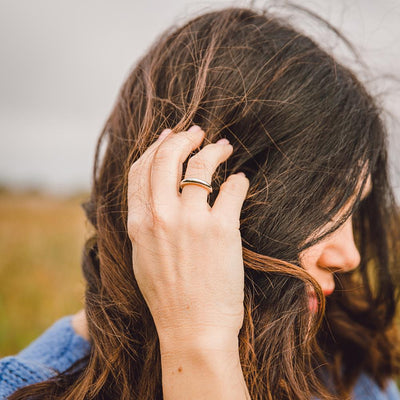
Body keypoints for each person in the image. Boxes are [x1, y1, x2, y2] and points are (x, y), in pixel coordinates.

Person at [1, 5, 400, 400]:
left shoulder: (349, 375)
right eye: (319, 200)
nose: (349, 256)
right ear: (187, 187)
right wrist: (198, 342)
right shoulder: (23, 390)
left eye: (354, 208)